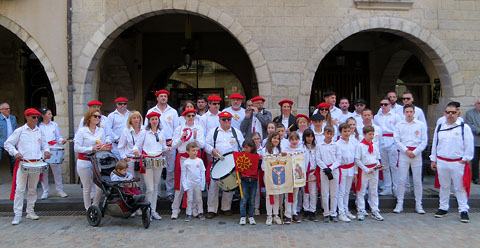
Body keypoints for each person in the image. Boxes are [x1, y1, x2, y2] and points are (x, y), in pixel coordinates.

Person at [5, 108, 51, 225]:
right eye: (33, 117)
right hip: (23, 163)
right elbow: (8, 143)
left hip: (35, 163)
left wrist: (46, 151)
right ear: (27, 117)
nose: (36, 120)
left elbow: (44, 144)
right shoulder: (20, 131)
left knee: (32, 189)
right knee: (20, 189)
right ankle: (17, 214)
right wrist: (15, 153)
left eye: (37, 117)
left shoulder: (39, 131)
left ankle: (30, 211)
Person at [430, 102, 474, 223]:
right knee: (444, 186)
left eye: (453, 112)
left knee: (460, 187)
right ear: (444, 113)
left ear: (458, 112)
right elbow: (435, 143)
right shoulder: (440, 126)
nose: (450, 114)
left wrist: (464, 159)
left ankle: (463, 210)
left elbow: (469, 145)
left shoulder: (464, 127)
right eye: (448, 112)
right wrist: (433, 159)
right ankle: (443, 207)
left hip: (457, 162)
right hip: (442, 161)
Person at [204, 111, 245, 219]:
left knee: (229, 187)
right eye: (224, 119)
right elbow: (205, 144)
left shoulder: (236, 132)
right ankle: (212, 209)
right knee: (213, 187)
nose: (226, 121)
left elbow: (243, 146)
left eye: (228, 119)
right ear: (219, 120)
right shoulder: (214, 132)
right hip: (216, 162)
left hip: (231, 165)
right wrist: (212, 150)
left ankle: (226, 208)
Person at [145, 90, 179, 201]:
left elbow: (177, 129)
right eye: (161, 96)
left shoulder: (173, 112)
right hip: (155, 145)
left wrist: (173, 141)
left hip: (169, 144)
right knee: (156, 168)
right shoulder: (151, 111)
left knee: (170, 169)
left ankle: (170, 192)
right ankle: (157, 192)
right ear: (157, 98)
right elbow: (146, 128)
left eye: (165, 96)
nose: (163, 98)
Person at [74, 108, 111, 211]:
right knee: (87, 187)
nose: (97, 118)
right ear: (89, 117)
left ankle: (94, 206)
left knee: (100, 186)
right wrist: (91, 148)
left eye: (99, 117)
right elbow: (76, 148)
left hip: (97, 160)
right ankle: (88, 208)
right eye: (95, 116)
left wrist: (104, 147)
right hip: (84, 160)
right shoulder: (82, 131)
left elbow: (101, 143)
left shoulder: (101, 130)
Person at [393, 104, 428, 214]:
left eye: (410, 111)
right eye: (407, 111)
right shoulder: (399, 125)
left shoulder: (421, 124)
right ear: (404, 112)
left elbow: (424, 141)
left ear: (414, 112)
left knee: (417, 181)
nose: (409, 114)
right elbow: (397, 140)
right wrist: (406, 151)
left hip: (416, 155)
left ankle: (419, 204)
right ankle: (400, 204)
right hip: (404, 154)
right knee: (401, 180)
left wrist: (416, 152)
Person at [171, 109, 205, 219]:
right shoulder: (179, 128)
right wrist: (181, 138)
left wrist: (195, 137)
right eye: (188, 115)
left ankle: (194, 209)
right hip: (183, 159)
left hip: (195, 158)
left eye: (193, 115)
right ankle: (175, 209)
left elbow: (202, 144)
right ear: (185, 117)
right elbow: (174, 145)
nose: (191, 117)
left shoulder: (198, 128)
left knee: (195, 183)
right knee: (180, 185)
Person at [142, 111, 171, 220]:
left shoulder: (161, 132)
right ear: (149, 121)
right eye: (152, 119)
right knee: (149, 188)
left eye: (156, 119)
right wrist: (135, 150)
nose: (155, 121)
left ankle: (153, 210)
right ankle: (147, 211)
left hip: (158, 159)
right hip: (148, 160)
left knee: (155, 187)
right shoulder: (144, 132)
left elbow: (162, 146)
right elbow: (138, 145)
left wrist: (167, 148)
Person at [355, 126, 384, 221]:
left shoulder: (374, 146)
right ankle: (361, 210)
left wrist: (378, 166)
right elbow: (357, 160)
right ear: (364, 134)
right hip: (364, 170)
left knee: (374, 191)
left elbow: (377, 158)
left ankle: (375, 209)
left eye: (372, 134)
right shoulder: (360, 146)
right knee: (362, 191)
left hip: (374, 171)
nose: (371, 136)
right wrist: (366, 169)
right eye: (369, 134)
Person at [374, 97, 402, 196]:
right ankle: (387, 187)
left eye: (385, 104)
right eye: (381, 104)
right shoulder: (377, 117)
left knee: (394, 166)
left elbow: (399, 130)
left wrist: (397, 143)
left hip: (392, 142)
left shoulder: (396, 116)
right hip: (381, 142)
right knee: (384, 166)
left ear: (390, 105)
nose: (383, 106)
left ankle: (396, 188)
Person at [38, 108, 68, 199]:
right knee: (44, 172)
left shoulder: (54, 125)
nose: (51, 116)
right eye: (49, 114)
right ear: (43, 115)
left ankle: (59, 190)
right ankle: (45, 191)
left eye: (51, 114)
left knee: (57, 172)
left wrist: (61, 140)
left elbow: (58, 137)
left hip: (54, 150)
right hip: (43, 151)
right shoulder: (39, 126)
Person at [315, 126, 340, 223]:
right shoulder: (319, 145)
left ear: (333, 134)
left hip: (334, 170)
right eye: (327, 133)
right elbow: (318, 158)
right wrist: (325, 168)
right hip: (324, 170)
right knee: (325, 193)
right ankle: (326, 213)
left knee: (334, 193)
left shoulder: (336, 145)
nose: (329, 135)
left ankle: (333, 213)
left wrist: (331, 168)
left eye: (331, 134)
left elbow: (339, 159)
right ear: (324, 134)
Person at [117, 111, 145, 192]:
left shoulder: (144, 130)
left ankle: (140, 197)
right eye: (134, 118)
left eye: (138, 117)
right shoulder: (126, 131)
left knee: (140, 181)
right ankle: (131, 198)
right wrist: (124, 157)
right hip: (130, 160)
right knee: (130, 181)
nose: (136, 120)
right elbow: (120, 146)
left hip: (140, 159)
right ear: (130, 120)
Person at [336, 123, 358, 222]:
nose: (347, 133)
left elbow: (355, 158)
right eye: (344, 131)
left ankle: (346, 209)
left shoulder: (353, 143)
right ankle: (341, 212)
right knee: (341, 191)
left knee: (347, 191)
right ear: (340, 132)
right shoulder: (337, 144)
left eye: (348, 131)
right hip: (342, 169)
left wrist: (355, 172)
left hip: (351, 168)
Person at [282, 131, 304, 224]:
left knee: (295, 195)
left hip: (297, 175)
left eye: (296, 139)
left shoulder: (301, 149)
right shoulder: (285, 149)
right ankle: (287, 214)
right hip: (288, 174)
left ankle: (294, 212)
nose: (294, 141)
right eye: (292, 139)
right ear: (289, 140)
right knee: (288, 195)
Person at [261, 131, 283, 225]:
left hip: (277, 174)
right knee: (269, 195)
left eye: (278, 139)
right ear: (270, 139)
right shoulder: (265, 150)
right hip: (268, 174)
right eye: (274, 138)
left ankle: (276, 214)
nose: (276, 140)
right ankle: (269, 215)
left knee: (277, 194)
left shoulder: (280, 150)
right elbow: (263, 165)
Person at [182, 142, 206, 222]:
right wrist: (185, 186)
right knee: (189, 199)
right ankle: (188, 213)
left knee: (199, 199)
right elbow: (184, 175)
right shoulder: (186, 162)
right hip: (190, 184)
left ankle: (200, 212)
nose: (195, 152)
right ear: (188, 152)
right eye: (193, 150)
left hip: (198, 183)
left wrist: (202, 184)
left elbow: (203, 173)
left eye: (196, 150)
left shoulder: (199, 161)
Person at [239, 138, 259, 225]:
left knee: (252, 199)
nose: (245, 149)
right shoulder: (241, 155)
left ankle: (251, 216)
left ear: (251, 147)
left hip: (253, 180)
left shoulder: (256, 155)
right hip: (244, 180)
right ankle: (243, 216)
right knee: (243, 198)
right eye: (244, 148)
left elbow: (258, 167)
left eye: (247, 147)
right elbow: (238, 168)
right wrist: (238, 178)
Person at [302, 129, 319, 222]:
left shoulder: (316, 147)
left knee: (313, 192)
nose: (310, 138)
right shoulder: (302, 147)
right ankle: (306, 210)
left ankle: (313, 210)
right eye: (308, 136)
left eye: (311, 136)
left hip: (313, 172)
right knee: (305, 192)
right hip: (304, 172)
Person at [0, 102, 18, 176]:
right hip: (1, 143)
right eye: (6, 109)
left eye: (9, 108)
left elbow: (16, 129)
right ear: (1, 110)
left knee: (14, 160)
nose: (8, 110)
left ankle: (14, 176)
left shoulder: (13, 118)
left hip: (11, 143)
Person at [466, 98, 480, 184]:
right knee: (475, 161)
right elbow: (470, 125)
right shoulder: (470, 113)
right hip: (476, 141)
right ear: (475, 104)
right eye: (478, 103)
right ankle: (475, 178)